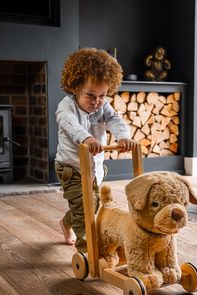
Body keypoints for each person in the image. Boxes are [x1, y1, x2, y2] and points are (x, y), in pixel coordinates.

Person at [55, 47, 137, 252]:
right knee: (84, 210)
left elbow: (114, 120)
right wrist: (88, 138)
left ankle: (67, 222)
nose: (96, 102)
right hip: (71, 168)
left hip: (95, 170)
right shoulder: (67, 107)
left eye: (102, 95)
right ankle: (89, 252)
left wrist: (123, 136)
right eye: (90, 95)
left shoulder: (102, 106)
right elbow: (70, 125)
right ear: (75, 87)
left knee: (93, 206)